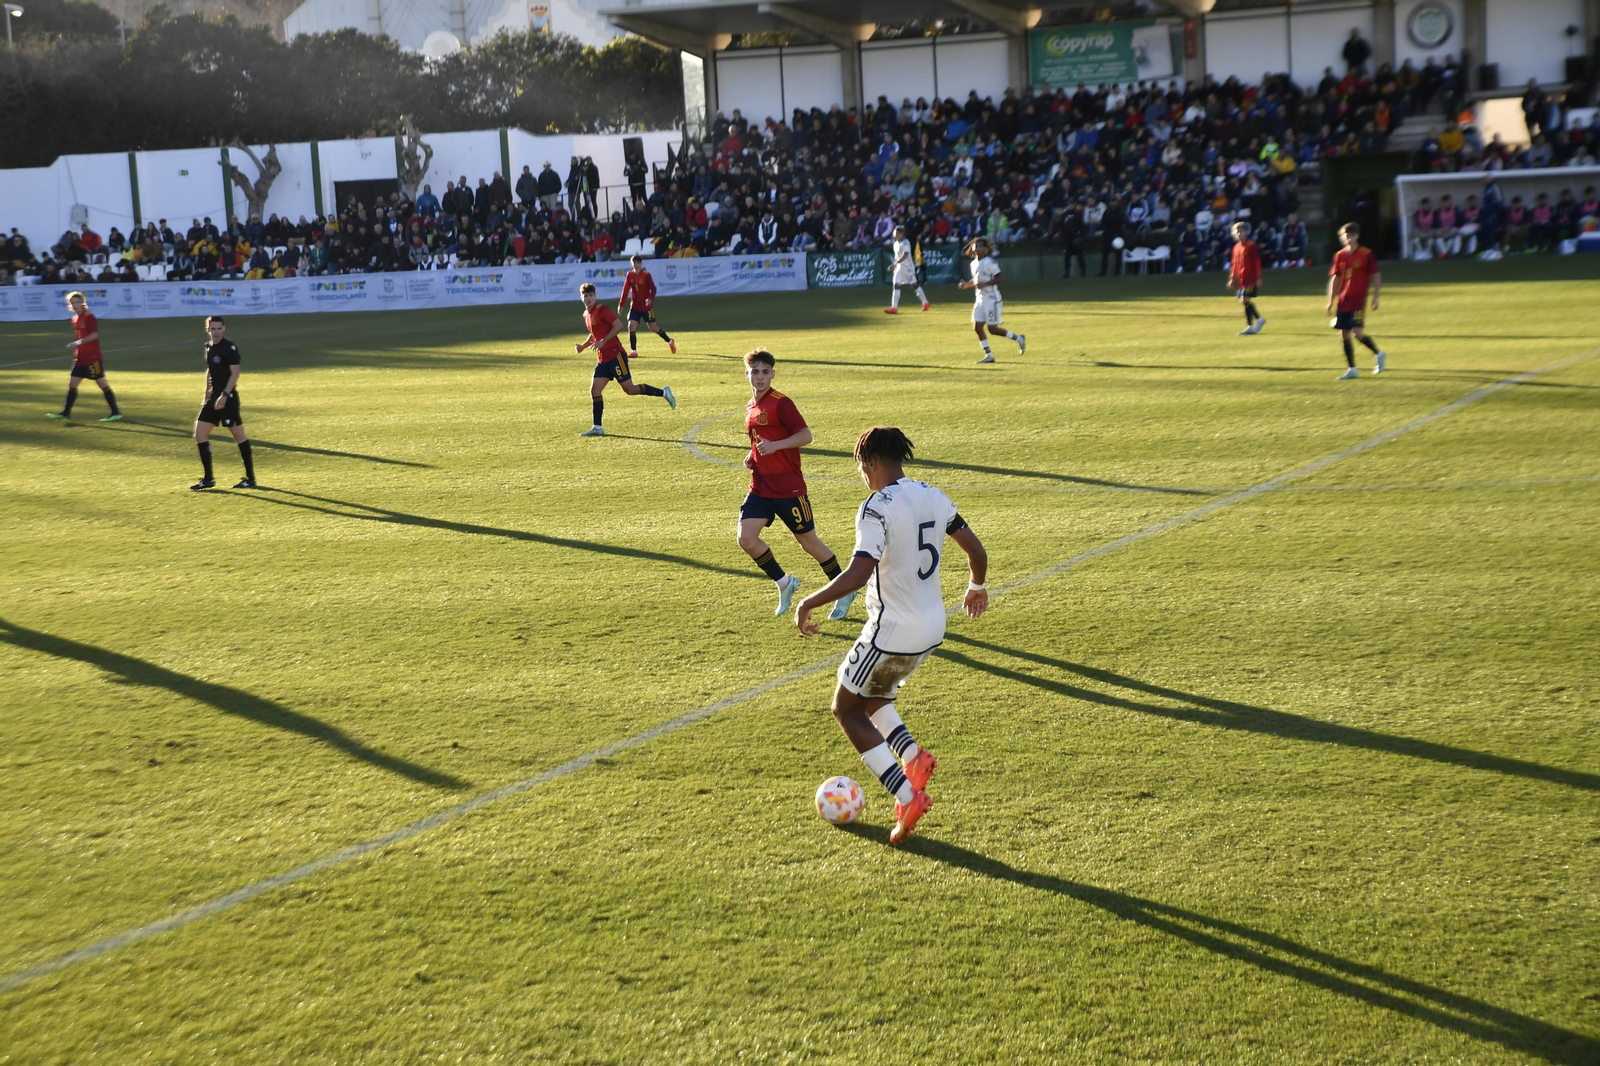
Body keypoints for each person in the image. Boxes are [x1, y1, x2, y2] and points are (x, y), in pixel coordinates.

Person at [795, 426, 989, 846]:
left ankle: (907, 796)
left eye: (861, 467)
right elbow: (977, 552)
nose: (862, 475)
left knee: (847, 710)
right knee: (877, 695)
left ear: (870, 463)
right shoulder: (935, 495)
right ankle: (914, 757)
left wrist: (809, 601)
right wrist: (976, 587)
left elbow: (859, 572)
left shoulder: (875, 506)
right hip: (933, 627)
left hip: (891, 630)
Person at [736, 349, 855, 619]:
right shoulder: (750, 406)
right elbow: (759, 440)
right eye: (755, 371)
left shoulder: (781, 402)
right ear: (747, 374)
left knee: (808, 542)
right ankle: (784, 582)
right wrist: (752, 455)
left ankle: (844, 588)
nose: (760, 377)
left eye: (766, 372)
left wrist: (776, 447)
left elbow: (806, 435)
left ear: (773, 374)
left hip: (789, 487)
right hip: (761, 486)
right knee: (746, 538)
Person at [575, 282, 674, 437]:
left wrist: (603, 341)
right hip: (602, 359)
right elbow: (594, 334)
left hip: (615, 356)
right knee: (595, 390)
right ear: (581, 297)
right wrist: (583, 345)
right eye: (585, 296)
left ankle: (664, 392)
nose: (588, 298)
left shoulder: (603, 310)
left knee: (630, 389)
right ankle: (597, 427)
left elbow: (618, 325)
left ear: (595, 296)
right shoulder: (586, 315)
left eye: (591, 295)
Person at [191, 315, 257, 489]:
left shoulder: (229, 348)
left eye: (219, 328)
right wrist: (207, 395)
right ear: (208, 330)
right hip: (213, 398)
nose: (216, 332)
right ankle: (208, 479)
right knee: (199, 434)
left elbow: (235, 373)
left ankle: (250, 478)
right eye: (213, 329)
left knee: (238, 436)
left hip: (228, 399)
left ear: (224, 329)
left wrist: (225, 394)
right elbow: (210, 371)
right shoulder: (208, 347)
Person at [47, 291, 122, 422]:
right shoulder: (75, 319)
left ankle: (116, 412)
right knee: (72, 384)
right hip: (80, 358)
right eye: (72, 303)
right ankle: (66, 413)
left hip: (93, 359)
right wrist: (77, 347)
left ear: (82, 303)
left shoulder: (89, 317)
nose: (75, 305)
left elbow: (94, 335)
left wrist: (77, 343)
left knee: (102, 384)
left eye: (77, 302)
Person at [1326, 223, 1386, 380]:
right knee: (1344, 334)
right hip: (1344, 300)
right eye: (1345, 236)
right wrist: (1331, 301)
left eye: (1351, 235)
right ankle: (1352, 369)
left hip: (1359, 300)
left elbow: (1376, 275)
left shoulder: (1366, 254)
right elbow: (1336, 278)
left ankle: (1378, 354)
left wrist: (1376, 296)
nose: (1348, 238)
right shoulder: (1339, 256)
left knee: (1357, 333)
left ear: (1357, 236)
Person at [960, 237, 1025, 364]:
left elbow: (1000, 278)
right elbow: (977, 281)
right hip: (979, 299)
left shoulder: (989, 262)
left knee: (992, 329)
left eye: (980, 246)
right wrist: (967, 285)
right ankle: (989, 355)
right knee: (977, 327)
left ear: (985, 249)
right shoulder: (973, 263)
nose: (978, 248)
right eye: (976, 246)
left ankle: (1019, 338)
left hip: (992, 299)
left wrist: (986, 284)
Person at [617, 254, 677, 357]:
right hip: (635, 306)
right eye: (634, 263)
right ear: (631, 264)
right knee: (631, 326)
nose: (636, 265)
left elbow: (653, 289)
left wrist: (650, 299)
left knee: (653, 327)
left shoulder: (646, 275)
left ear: (641, 263)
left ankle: (670, 341)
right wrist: (621, 304)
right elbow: (625, 290)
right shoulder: (629, 275)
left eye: (638, 263)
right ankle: (634, 351)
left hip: (646, 307)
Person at [1228, 222, 1265, 335]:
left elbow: (1257, 262)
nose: (1239, 234)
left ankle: (1253, 323)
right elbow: (1235, 264)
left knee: (1244, 299)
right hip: (1242, 279)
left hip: (1251, 279)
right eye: (1237, 231)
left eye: (1241, 231)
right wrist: (1232, 278)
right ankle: (1256, 321)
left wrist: (1258, 277)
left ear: (1246, 232)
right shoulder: (1236, 247)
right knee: (1244, 301)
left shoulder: (1251, 245)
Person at [884, 225, 930, 314]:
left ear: (903, 234)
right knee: (896, 286)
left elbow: (905, 255)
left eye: (900, 233)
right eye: (896, 233)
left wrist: (894, 263)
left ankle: (926, 302)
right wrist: (896, 265)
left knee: (914, 285)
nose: (898, 235)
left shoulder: (905, 243)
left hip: (907, 267)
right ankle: (894, 307)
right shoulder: (895, 243)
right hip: (899, 268)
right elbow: (897, 256)